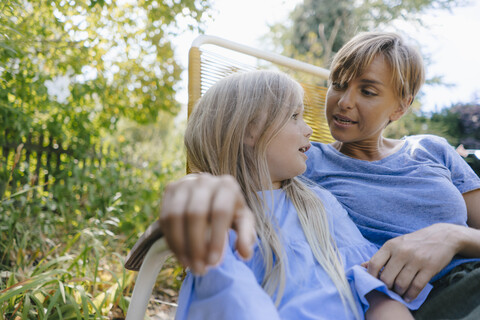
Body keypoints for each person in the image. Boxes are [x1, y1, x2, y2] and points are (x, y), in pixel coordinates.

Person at [160, 32, 480, 319]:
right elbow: (238, 169)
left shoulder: (433, 149)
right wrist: (194, 188)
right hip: (414, 298)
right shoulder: (305, 160)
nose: (344, 101)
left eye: (367, 91)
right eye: (338, 83)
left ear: (401, 108)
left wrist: (454, 236)